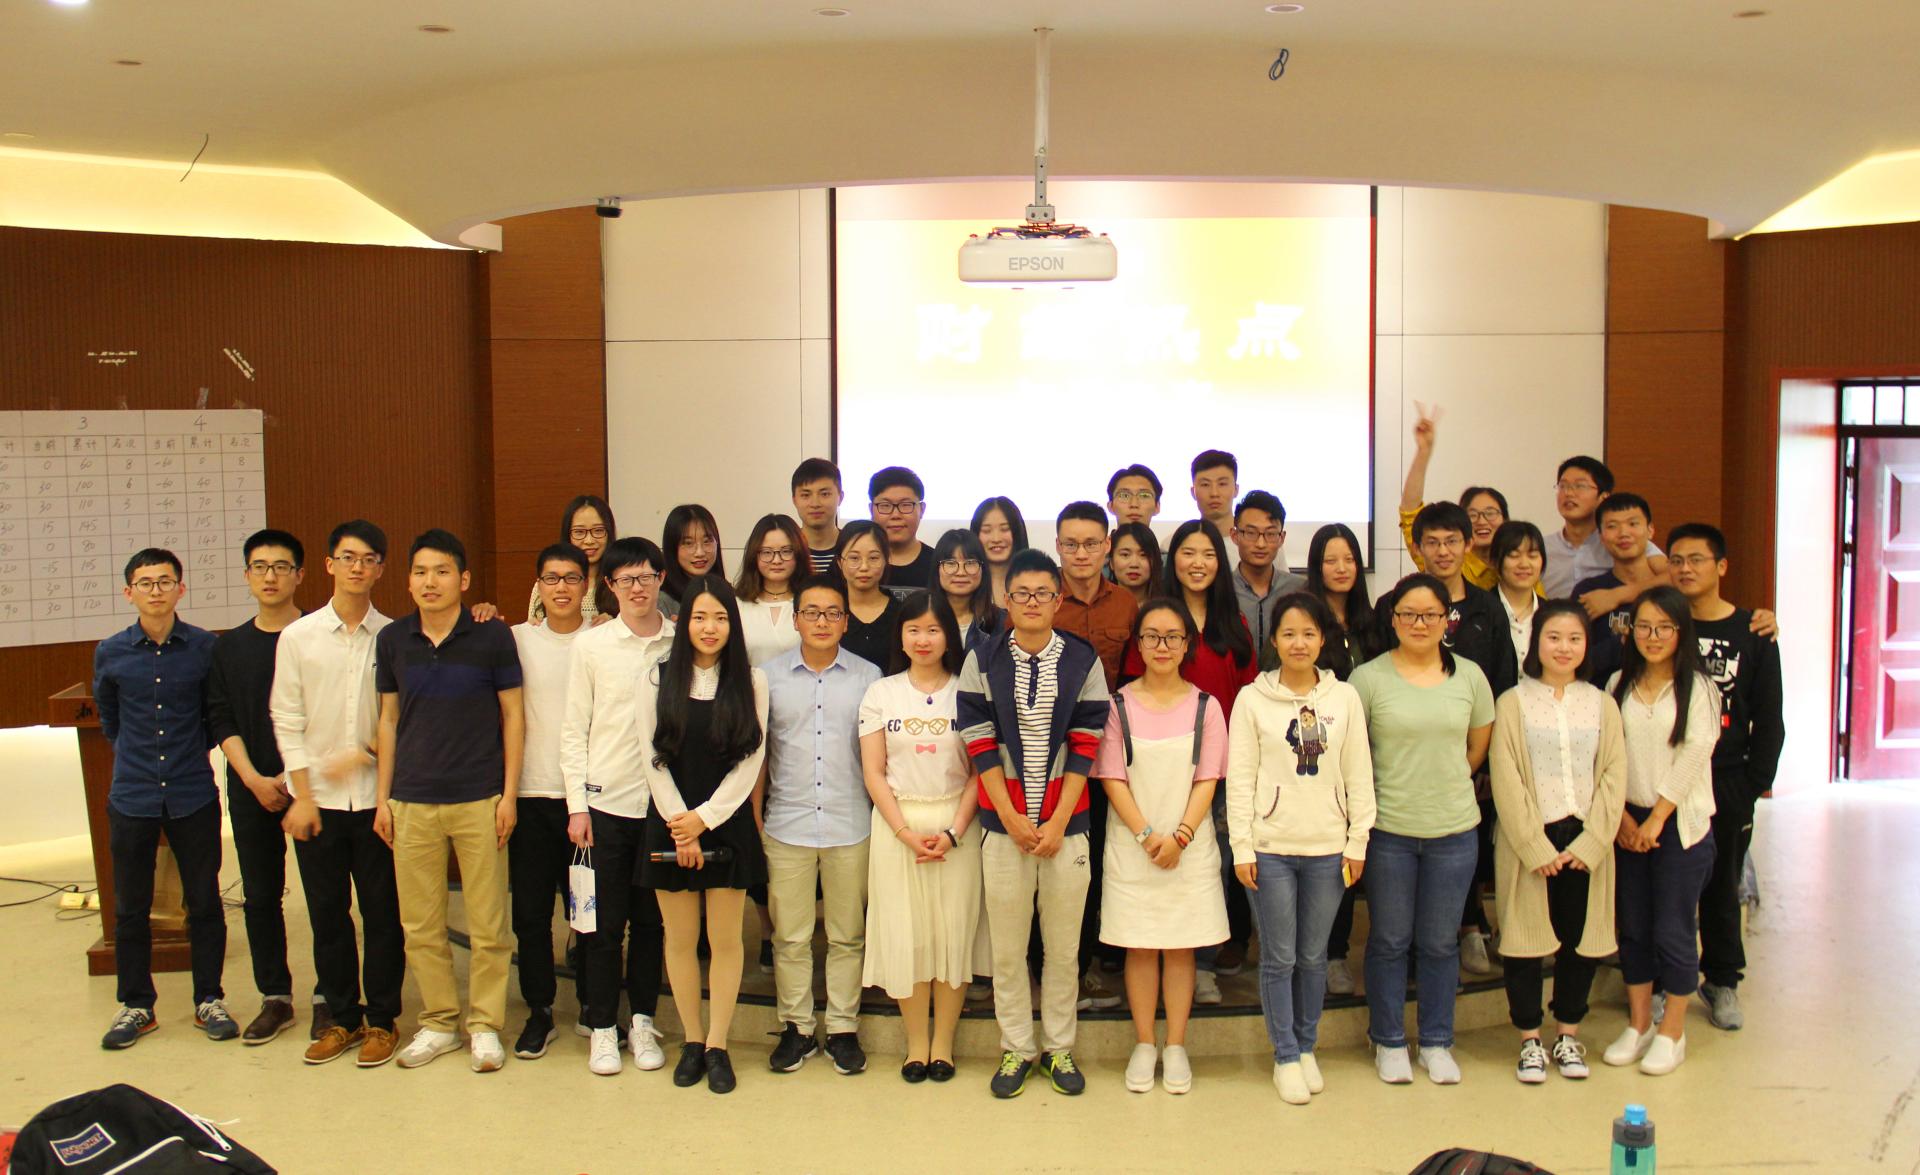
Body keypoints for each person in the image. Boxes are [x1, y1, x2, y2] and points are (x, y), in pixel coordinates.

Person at [958, 549, 1110, 1099]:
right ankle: (1017, 1048)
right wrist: (1012, 818)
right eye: (1021, 594)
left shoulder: (1083, 658)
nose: (1031, 603)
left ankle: (1059, 1046)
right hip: (1004, 829)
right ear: (1006, 599)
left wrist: (1059, 819)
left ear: (1058, 599)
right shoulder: (982, 658)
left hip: (1068, 825)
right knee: (1007, 948)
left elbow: (1087, 742)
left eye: (1042, 594)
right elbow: (978, 742)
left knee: (1064, 948)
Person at [374, 529, 525, 1074]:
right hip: (411, 800)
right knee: (420, 924)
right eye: (420, 572)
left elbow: (513, 715)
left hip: (479, 797)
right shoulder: (393, 639)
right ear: (408, 580)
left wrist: (508, 795)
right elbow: (388, 720)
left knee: (489, 924)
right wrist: (383, 799)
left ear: (463, 579)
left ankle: (484, 1025)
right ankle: (438, 1022)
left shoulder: (492, 636)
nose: (429, 581)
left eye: (441, 571)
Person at [1227, 591, 1374, 1104]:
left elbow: (1359, 772)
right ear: (1273, 639)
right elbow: (1240, 778)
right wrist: (1242, 847)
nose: (1299, 643)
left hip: (1329, 849)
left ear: (1323, 639)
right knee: (1279, 958)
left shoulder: (1344, 698)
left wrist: (1358, 840)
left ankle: (1307, 1046)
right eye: (1289, 633)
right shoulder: (1251, 700)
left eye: (1309, 633)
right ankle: (1285, 1054)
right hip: (1269, 849)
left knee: (1313, 957)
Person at [1351, 573, 1496, 1086]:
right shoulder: (1367, 679)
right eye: (1408, 614)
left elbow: (1477, 746)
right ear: (1393, 620)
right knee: (1389, 940)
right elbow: (1354, 754)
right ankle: (1388, 1038)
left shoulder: (1470, 677)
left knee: (1438, 943)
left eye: (1430, 614)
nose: (1419, 623)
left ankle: (1436, 1041)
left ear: (1445, 620)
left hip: (1453, 831)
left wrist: (1447, 780)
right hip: (1389, 830)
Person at [272, 519, 404, 1067]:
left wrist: (367, 754)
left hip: (377, 801)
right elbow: (286, 718)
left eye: (369, 559)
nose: (357, 567)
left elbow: (401, 719)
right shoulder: (298, 637)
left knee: (382, 914)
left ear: (380, 569)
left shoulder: (394, 637)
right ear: (329, 565)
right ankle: (343, 1018)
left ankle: (383, 1020)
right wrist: (302, 795)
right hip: (317, 802)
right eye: (348, 557)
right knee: (328, 914)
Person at [639, 575, 772, 1095]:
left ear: (732, 624)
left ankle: (718, 1043)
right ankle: (691, 1040)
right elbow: (651, 755)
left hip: (727, 820)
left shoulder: (752, 681)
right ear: (684, 623)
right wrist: (682, 823)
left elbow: (751, 759)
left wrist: (705, 819)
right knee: (679, 939)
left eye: (720, 618)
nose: (709, 627)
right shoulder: (656, 678)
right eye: (699, 617)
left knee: (725, 939)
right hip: (670, 820)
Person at [94, 548, 230, 1050]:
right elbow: (110, 717)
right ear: (128, 592)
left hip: (192, 791)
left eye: (165, 581)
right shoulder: (110, 651)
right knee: (131, 908)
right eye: (145, 583)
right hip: (132, 795)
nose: (156, 590)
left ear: (181, 589)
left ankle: (209, 998)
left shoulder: (205, 647)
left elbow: (213, 715)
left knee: (205, 902)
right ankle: (136, 1005)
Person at [1094, 598, 1231, 1095]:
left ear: (1187, 643)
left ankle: (1175, 1045)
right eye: (1151, 636)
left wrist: (1181, 837)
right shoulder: (1117, 705)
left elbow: (1208, 777)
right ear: (1138, 643)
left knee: (1180, 946)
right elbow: (1112, 777)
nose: (1162, 646)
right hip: (1134, 845)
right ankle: (1144, 1043)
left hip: (1188, 846)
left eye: (1173, 637)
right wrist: (1148, 837)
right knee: (1140, 944)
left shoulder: (1206, 706)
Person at [1489, 600, 1628, 1085]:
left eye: (1574, 639)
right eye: (1553, 637)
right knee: (1524, 942)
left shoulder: (1602, 703)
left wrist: (1594, 843)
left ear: (1586, 645)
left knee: (1580, 942)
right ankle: (1530, 1038)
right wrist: (1533, 845)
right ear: (1536, 643)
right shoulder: (1513, 702)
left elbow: (1614, 774)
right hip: (1530, 840)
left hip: (1586, 840)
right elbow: (1506, 776)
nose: (1563, 648)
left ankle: (1567, 1033)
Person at [560, 537, 676, 1077]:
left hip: (663, 808)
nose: (637, 588)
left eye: (646, 576)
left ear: (661, 579)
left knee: (652, 924)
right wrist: (576, 805)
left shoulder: (680, 642)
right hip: (604, 806)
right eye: (625, 579)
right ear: (609, 585)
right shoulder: (592, 646)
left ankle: (643, 1022)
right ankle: (603, 1027)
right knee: (602, 927)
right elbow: (573, 730)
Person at [759, 575, 883, 1076]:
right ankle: (797, 1028)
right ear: (795, 620)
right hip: (785, 822)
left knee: (847, 934)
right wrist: (755, 820)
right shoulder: (767, 677)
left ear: (846, 621)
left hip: (849, 822)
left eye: (833, 613)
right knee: (789, 936)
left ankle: (843, 1028)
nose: (822, 621)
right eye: (811, 612)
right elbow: (758, 757)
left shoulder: (869, 677)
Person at [1129, 519, 1257, 1002]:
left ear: (1220, 563)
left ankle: (1200, 962)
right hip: (1157, 768)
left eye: (1208, 554)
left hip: (1218, 772)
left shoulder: (1234, 623)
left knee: (1211, 866)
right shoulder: (1155, 619)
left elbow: (1248, 700)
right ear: (1172, 561)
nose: (1197, 563)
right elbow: (1131, 688)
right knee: (1156, 861)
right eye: (1188, 552)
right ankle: (1153, 958)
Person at [859, 590, 983, 1083]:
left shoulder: (968, 691)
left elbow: (980, 772)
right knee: (906, 936)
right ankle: (915, 1045)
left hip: (957, 826)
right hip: (897, 827)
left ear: (949, 636)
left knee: (952, 933)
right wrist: (905, 832)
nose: (923, 639)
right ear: (901, 636)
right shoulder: (880, 693)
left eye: (933, 629)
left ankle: (943, 1045)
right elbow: (873, 771)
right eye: (913, 629)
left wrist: (954, 832)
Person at [1668, 523, 1784, 1032]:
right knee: (1669, 885)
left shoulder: (1753, 631)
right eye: (1676, 560)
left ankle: (1721, 981)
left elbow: (1770, 716)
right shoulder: (1665, 624)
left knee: (1721, 885)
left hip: (1728, 778)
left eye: (1696, 559)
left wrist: (1753, 783)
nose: (1685, 568)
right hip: (1669, 778)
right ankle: (1666, 982)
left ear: (1721, 566)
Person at [1603, 586, 1720, 1077]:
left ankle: (1672, 1030)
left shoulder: (1699, 687)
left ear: (1680, 632)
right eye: (1644, 627)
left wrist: (1656, 818)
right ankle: (1639, 1024)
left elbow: (1695, 753)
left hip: (1678, 825)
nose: (1653, 637)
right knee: (1633, 926)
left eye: (1664, 628)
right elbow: (1607, 755)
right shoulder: (1618, 683)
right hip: (1627, 822)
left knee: (1673, 928)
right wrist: (1622, 818)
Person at [206, 528, 307, 1045]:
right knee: (260, 895)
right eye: (260, 567)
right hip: (251, 785)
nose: (271, 576)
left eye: (281, 566)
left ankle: (332, 997)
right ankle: (275, 997)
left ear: (300, 575)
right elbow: (221, 717)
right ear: (247, 576)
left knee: (327, 896)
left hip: (312, 784)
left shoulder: (315, 635)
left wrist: (292, 778)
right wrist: (252, 778)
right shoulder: (229, 647)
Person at [1411, 500, 1515, 975]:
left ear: (1468, 544)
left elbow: (1502, 682)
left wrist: (1486, 761)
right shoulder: (1401, 603)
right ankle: (1423, 938)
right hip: (1414, 755)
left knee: (1469, 843)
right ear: (1418, 548)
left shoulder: (1487, 608)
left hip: (1474, 753)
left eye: (1452, 541)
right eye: (1432, 542)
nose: (1443, 551)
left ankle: (1471, 927)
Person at [507, 544, 592, 1061]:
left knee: (587, 912)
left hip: (586, 800)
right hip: (531, 795)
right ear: (538, 586)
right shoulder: (516, 639)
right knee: (532, 915)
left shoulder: (601, 639)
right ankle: (539, 1010)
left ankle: (592, 1006)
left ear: (586, 585)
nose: (561, 587)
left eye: (571, 578)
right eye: (551, 578)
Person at [1302, 522, 1379, 997]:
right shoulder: (1305, 623)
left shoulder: (1374, 623)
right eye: (1331, 560)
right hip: (1316, 761)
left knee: (1352, 857)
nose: (1341, 568)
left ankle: (1337, 954)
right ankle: (1318, 954)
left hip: (1369, 760)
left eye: (1349, 558)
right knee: (1323, 858)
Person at [1397, 404, 1511, 590]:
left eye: (1490, 513)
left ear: (1505, 520)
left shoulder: (1518, 564)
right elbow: (1410, 513)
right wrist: (1424, 451)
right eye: (1473, 515)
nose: (1482, 521)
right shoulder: (1447, 559)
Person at [1573, 493, 1665, 687]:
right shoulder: (1588, 591)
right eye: (1612, 526)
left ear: (1650, 530)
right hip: (1600, 698)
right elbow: (1575, 662)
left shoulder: (1667, 591)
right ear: (1601, 537)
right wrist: (1621, 642)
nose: (1624, 533)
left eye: (1633, 524)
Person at [1231, 490, 1306, 655]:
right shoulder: (1220, 588)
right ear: (1235, 535)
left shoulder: (1300, 590)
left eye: (1270, 534)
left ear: (1282, 538)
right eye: (1251, 533)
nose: (1260, 544)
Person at [529, 495, 617, 624]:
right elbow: (534, 627)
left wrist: (616, 623)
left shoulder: (621, 581)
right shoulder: (547, 584)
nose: (589, 540)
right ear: (567, 535)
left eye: (598, 530)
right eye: (579, 532)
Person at [735, 512, 805, 666]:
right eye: (767, 552)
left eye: (786, 551)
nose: (776, 560)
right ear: (754, 555)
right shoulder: (737, 604)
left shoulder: (811, 603)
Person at [835, 520, 902, 669]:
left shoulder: (902, 614)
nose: (864, 567)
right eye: (854, 558)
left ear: (886, 560)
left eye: (873, 558)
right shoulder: (830, 614)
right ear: (840, 563)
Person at [933, 528, 1005, 653]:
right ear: (937, 568)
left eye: (970, 562)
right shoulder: (920, 617)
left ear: (983, 569)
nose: (961, 572)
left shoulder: (1002, 622)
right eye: (951, 563)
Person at [1491, 521, 1548, 669]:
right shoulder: (1481, 610)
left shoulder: (1551, 613)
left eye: (1532, 556)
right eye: (1513, 556)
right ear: (1495, 561)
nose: (1524, 564)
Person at [870, 466, 936, 594]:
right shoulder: (857, 565)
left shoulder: (938, 564)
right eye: (885, 505)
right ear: (871, 510)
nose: (896, 515)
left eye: (906, 505)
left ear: (922, 509)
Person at [660, 503, 725, 618]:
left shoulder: (730, 594)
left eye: (707, 541)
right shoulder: (663, 601)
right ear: (672, 548)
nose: (700, 552)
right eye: (688, 543)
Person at [970, 496, 1029, 608]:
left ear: (1017, 532)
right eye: (986, 530)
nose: (996, 539)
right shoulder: (965, 585)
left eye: (1004, 529)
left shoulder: (1036, 582)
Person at [792, 457, 845, 574]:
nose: (815, 504)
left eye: (825, 494)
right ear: (794, 500)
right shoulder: (785, 553)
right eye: (806, 495)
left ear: (840, 497)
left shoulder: (852, 549)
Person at [1108, 523, 1163, 610]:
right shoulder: (1099, 607)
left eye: (1143, 555)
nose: (1134, 564)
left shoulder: (1167, 609)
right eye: (1125, 555)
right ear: (1111, 562)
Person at [1189, 450, 1239, 535]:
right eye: (1205, 484)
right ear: (1193, 492)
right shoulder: (1178, 542)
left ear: (1236, 490)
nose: (1214, 493)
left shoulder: (1254, 542)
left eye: (1222, 484)